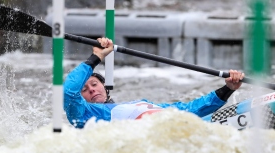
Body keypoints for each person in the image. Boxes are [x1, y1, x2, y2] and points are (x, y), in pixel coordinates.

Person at [63, 37, 244, 129]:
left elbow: (189, 110)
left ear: (104, 86)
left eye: (94, 84)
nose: (92, 90)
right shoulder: (85, 115)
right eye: (85, 89)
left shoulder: (140, 104)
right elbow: (69, 91)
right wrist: (97, 56)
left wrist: (227, 89)